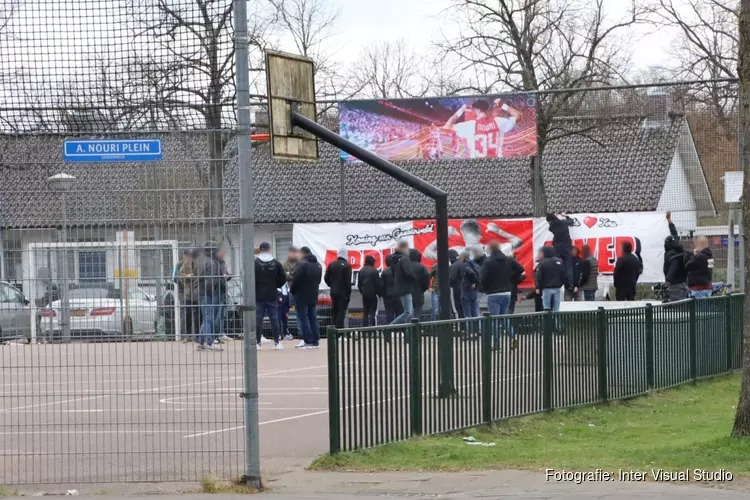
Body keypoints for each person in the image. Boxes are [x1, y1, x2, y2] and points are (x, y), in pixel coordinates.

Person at [442, 98, 522, 158]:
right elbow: (518, 116)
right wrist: (502, 105)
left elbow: (446, 128)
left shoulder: (470, 126)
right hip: (497, 165)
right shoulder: (498, 122)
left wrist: (461, 110)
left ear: (476, 110)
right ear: (488, 110)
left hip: (477, 167)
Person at [253, 242, 287, 350]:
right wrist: (274, 285)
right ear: (269, 249)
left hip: (258, 295)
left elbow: (250, 278)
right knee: (274, 319)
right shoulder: (276, 263)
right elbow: (283, 278)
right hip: (272, 294)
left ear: (260, 249)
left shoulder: (255, 263)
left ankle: (258, 343)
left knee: (258, 319)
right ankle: (277, 342)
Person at [196, 242, 227, 351]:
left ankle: (201, 342)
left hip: (202, 292)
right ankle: (209, 342)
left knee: (206, 318)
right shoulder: (212, 263)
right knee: (208, 317)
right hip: (208, 293)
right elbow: (210, 280)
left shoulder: (202, 260)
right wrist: (213, 291)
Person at [290, 246, 323, 348]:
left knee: (303, 318)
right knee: (313, 317)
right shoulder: (318, 265)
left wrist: (293, 291)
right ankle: (315, 340)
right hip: (313, 295)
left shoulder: (302, 264)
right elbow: (318, 280)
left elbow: (296, 280)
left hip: (301, 295)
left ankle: (307, 340)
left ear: (303, 253)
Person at [325, 249, 353, 329]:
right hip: (343, 292)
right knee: (341, 312)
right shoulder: (347, 265)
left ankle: (332, 331)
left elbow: (326, 278)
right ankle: (339, 332)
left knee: (334, 311)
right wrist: (348, 294)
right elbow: (348, 282)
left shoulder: (332, 264)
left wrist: (331, 285)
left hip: (333, 292)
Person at [390, 241, 416, 325]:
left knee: (408, 312)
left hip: (399, 287)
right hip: (405, 288)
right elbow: (409, 272)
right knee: (408, 312)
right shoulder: (405, 259)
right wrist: (415, 278)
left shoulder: (396, 259)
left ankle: (408, 333)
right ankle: (389, 327)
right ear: (404, 248)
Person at [176, 249, 200, 341]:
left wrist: (194, 278)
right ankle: (187, 335)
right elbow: (178, 276)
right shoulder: (183, 264)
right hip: (187, 293)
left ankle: (197, 336)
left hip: (197, 293)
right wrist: (186, 277)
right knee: (187, 315)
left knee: (198, 315)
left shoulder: (200, 264)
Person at [546, 212, 575, 287]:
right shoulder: (563, 222)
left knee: (557, 265)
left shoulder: (551, 228)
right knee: (568, 266)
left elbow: (553, 222)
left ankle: (557, 282)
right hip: (566, 247)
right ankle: (570, 284)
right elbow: (572, 222)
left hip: (557, 248)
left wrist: (554, 216)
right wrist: (566, 216)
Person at [535, 246, 568, 312]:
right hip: (557, 288)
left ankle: (548, 321)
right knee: (556, 308)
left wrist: (539, 287)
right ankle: (556, 321)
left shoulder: (542, 262)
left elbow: (539, 277)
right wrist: (560, 284)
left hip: (546, 288)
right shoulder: (559, 261)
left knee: (547, 308)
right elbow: (564, 275)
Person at [279, 246, 299, 340]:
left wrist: (289, 274)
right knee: (281, 313)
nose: (293, 254)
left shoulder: (299, 263)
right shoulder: (283, 263)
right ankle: (281, 332)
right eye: (291, 252)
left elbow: (297, 276)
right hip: (284, 292)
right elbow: (283, 275)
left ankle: (289, 331)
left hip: (297, 291)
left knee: (296, 312)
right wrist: (291, 275)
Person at [461, 246, 484, 318]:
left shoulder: (465, 265)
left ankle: (469, 328)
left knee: (467, 312)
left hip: (467, 289)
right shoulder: (474, 264)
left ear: (463, 257)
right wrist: (476, 283)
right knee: (474, 310)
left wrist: (474, 282)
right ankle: (475, 327)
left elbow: (471, 273)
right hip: (474, 290)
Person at [358, 255, 381, 327]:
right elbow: (377, 284)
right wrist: (378, 293)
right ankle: (373, 328)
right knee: (373, 313)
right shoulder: (374, 271)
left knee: (365, 312)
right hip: (373, 294)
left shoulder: (361, 270)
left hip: (364, 294)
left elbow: (359, 284)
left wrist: (362, 292)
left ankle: (365, 328)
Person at [380, 254, 403, 324]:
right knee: (400, 313)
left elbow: (382, 285)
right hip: (399, 295)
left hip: (388, 296)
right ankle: (401, 330)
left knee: (389, 314)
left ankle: (390, 329)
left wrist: (382, 295)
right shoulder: (400, 270)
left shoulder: (384, 272)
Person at [410, 249, 430, 321]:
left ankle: (407, 330)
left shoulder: (403, 267)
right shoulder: (422, 267)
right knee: (417, 314)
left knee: (408, 313)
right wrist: (423, 289)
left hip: (406, 294)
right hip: (418, 293)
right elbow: (426, 280)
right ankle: (415, 330)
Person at [449, 250, 465, 318]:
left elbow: (452, 278)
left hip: (456, 289)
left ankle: (460, 326)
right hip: (465, 288)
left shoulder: (454, 266)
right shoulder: (463, 263)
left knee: (456, 308)